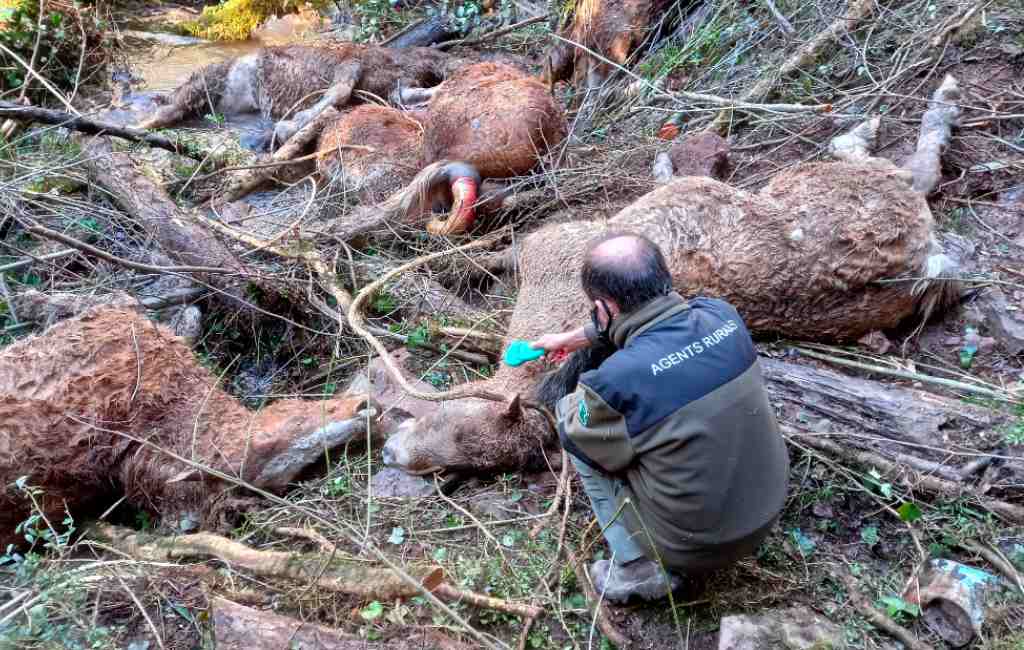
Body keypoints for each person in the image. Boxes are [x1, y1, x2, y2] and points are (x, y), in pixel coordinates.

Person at [530, 232, 790, 603]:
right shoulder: (722, 316)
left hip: (696, 546)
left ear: (604, 307)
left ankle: (637, 568)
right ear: (662, 276)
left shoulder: (617, 380)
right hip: (765, 514)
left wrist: (582, 406)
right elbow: (649, 319)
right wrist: (573, 339)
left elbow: (579, 431)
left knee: (572, 420)